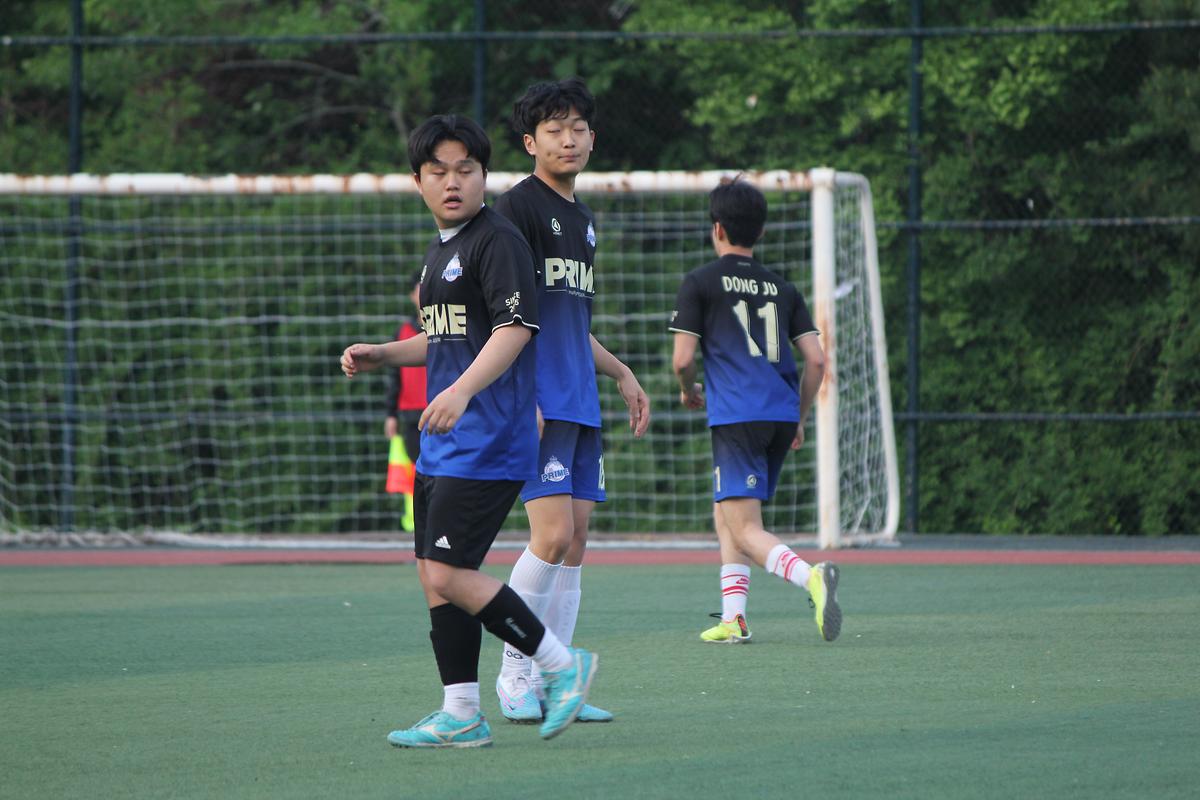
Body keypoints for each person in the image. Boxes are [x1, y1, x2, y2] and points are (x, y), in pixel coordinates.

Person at [340, 114, 597, 748]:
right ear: (418, 182)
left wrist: (460, 391)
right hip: (445, 440)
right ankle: (461, 712)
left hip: (490, 437)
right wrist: (384, 353)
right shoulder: (441, 251)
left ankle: (560, 665)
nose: (452, 182)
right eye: (438, 172)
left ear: (485, 176)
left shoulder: (498, 241)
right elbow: (446, 338)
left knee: (451, 572)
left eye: (465, 170)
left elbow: (515, 329)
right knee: (434, 576)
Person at [491, 77, 650, 724]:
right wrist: (517, 393)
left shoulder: (583, 221)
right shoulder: (515, 209)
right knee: (550, 536)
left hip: (580, 398)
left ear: (592, 138)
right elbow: (500, 312)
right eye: (554, 130)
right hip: (540, 399)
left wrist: (621, 373)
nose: (569, 139)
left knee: (577, 542)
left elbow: (569, 323)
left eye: (578, 128)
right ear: (531, 142)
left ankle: (556, 682)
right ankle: (514, 672)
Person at [668, 178, 841, 645]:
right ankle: (735, 618)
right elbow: (816, 360)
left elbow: (683, 360)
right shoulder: (783, 288)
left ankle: (812, 578)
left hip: (737, 416)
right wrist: (800, 417)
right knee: (726, 512)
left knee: (744, 528)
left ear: (717, 228)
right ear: (760, 232)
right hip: (780, 415)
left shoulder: (700, 282)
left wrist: (687, 389)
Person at [383, 271, 426, 532]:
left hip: (444, 412)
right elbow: (394, 377)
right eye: (419, 289)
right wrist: (391, 414)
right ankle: (417, 525)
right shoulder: (402, 331)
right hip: (411, 414)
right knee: (417, 472)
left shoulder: (451, 327)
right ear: (412, 295)